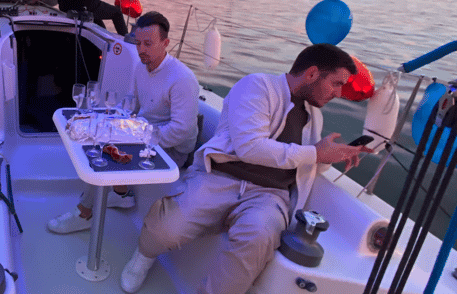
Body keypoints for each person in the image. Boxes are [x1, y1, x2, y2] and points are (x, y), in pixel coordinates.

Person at [120, 43, 371, 294]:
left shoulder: (314, 115)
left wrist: (329, 156)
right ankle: (143, 256)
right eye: (337, 83)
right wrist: (315, 152)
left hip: (269, 195)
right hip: (220, 177)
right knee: (168, 228)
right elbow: (249, 147)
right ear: (313, 73)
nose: (338, 92)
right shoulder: (258, 86)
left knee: (259, 238)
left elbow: (306, 161)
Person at [47, 11, 200, 233]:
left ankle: (85, 212)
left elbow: (182, 131)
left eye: (148, 44)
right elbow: (133, 106)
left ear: (165, 43)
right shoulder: (141, 66)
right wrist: (111, 123)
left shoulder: (182, 79)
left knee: (103, 154)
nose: (141, 50)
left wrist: (138, 138)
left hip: (172, 149)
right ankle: (122, 194)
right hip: (143, 133)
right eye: (138, 43)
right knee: (97, 135)